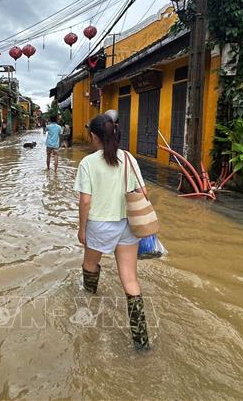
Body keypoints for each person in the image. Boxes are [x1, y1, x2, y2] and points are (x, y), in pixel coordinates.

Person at [73, 113, 150, 351]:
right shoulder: (128, 158)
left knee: (90, 265)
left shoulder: (88, 163)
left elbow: (86, 201)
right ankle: (141, 341)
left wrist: (82, 228)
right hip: (128, 225)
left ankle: (89, 301)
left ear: (94, 136)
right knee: (130, 280)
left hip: (99, 225)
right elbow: (144, 192)